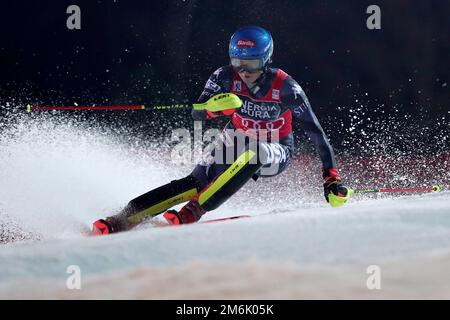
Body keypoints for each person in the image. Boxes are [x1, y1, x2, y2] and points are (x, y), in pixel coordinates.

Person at [90, 26, 351, 235]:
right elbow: (197, 112)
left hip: (277, 147)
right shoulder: (223, 76)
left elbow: (316, 133)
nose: (244, 71)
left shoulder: (286, 87)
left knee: (257, 152)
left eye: (252, 64)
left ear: (266, 59)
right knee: (194, 183)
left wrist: (331, 177)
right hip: (236, 137)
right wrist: (214, 109)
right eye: (238, 62)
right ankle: (122, 219)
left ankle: (194, 211)